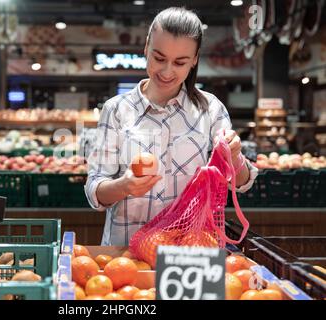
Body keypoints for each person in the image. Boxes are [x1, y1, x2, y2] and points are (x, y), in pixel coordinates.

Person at [85, 7, 258, 246]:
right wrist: (123, 186)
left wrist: (235, 156)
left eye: (180, 62)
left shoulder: (211, 110)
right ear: (146, 48)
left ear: (194, 60)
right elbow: (95, 189)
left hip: (189, 254)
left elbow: (240, 183)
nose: (167, 71)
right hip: (126, 257)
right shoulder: (116, 110)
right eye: (159, 58)